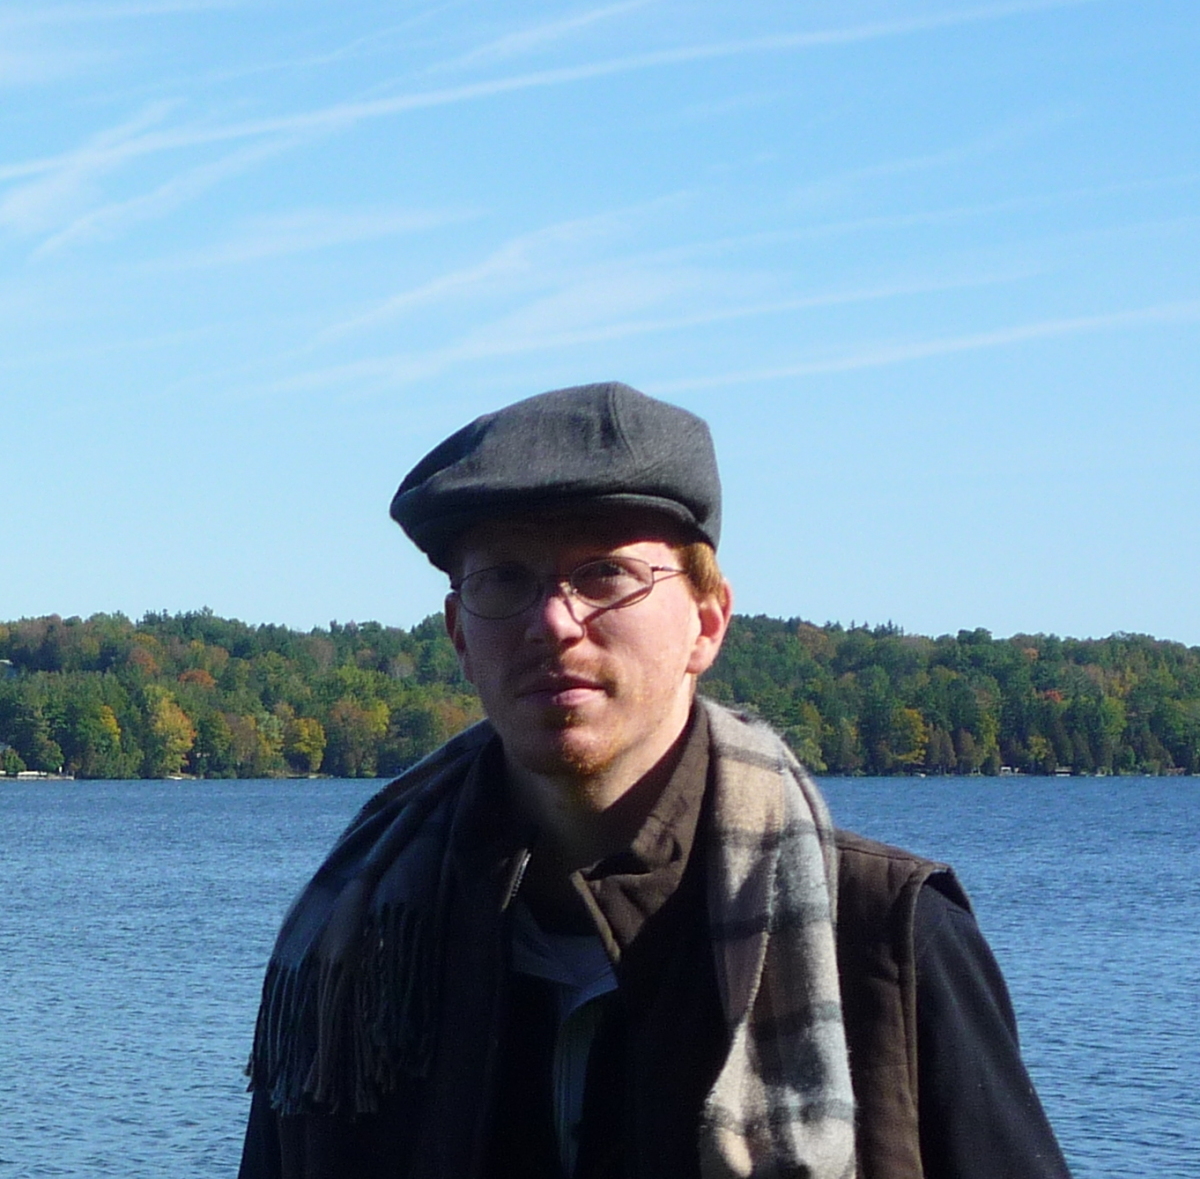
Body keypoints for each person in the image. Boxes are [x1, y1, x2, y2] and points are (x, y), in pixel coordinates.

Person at [238, 383, 1072, 1179]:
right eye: (506, 579)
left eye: (605, 573)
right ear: (460, 634)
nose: (554, 622)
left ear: (706, 623)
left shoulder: (888, 937)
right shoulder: (350, 950)